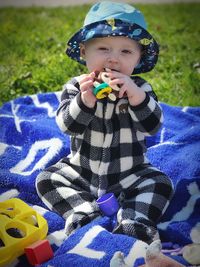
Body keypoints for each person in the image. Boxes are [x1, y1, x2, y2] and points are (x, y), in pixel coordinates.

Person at [36, 1, 174, 246]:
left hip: (130, 173)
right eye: (103, 48)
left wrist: (136, 97)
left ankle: (135, 220)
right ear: (84, 52)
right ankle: (83, 212)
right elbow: (67, 125)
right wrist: (85, 100)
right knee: (47, 179)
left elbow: (153, 126)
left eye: (126, 51)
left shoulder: (140, 88)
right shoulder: (77, 87)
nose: (113, 59)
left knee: (160, 184)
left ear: (139, 57)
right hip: (81, 172)